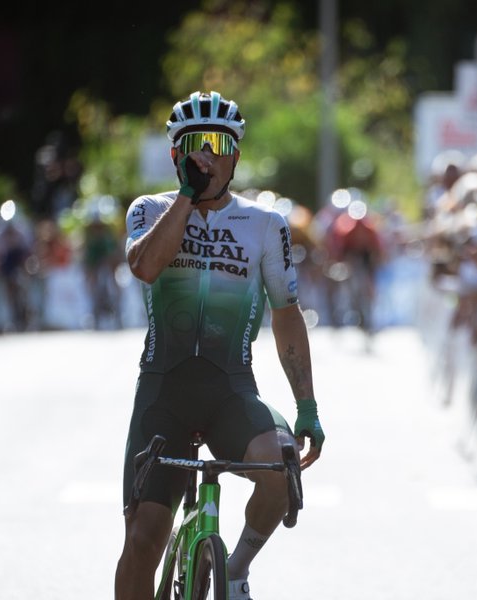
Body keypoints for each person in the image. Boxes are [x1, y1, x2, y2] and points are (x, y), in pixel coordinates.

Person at [115, 91, 325, 600]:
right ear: (176, 154)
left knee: (281, 466)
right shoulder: (150, 210)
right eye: (195, 144)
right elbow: (145, 266)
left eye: (219, 144)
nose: (207, 155)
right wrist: (188, 196)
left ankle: (235, 569)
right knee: (143, 541)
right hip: (163, 393)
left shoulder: (266, 225)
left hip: (229, 390)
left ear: (236, 156)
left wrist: (307, 407)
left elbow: (287, 316)